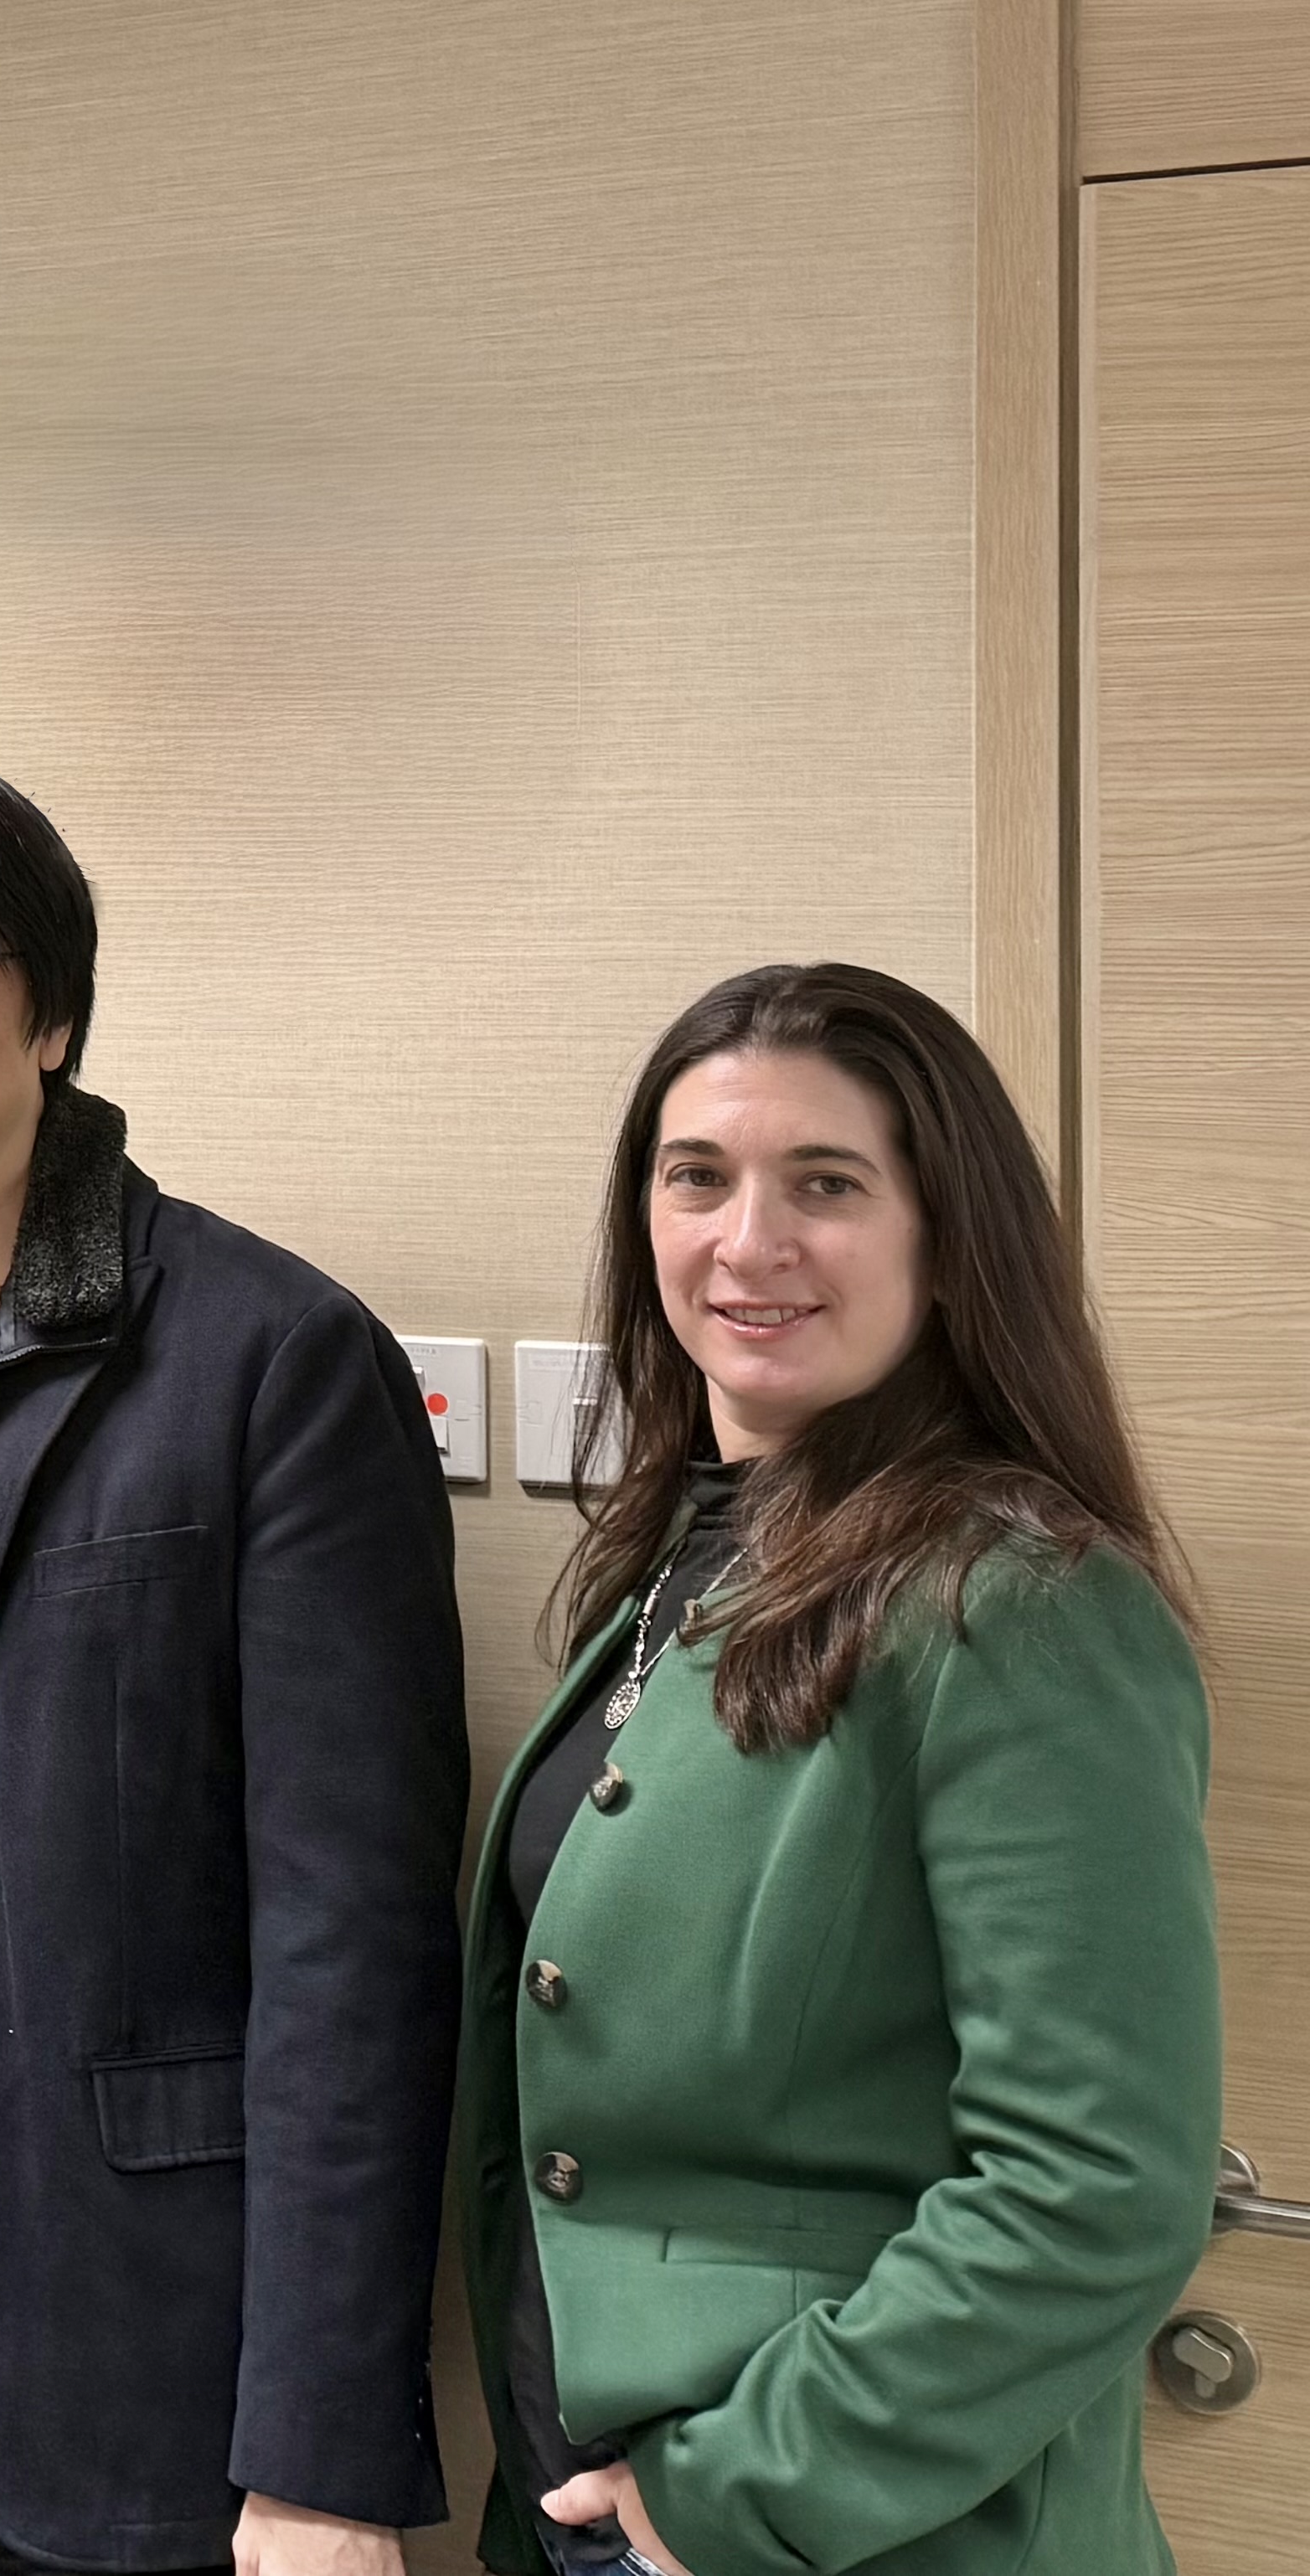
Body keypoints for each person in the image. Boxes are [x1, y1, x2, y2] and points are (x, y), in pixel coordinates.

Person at [0, 746, 470, 2576]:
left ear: (46, 1009)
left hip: (148, 2324)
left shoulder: (267, 1359)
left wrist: (321, 2446)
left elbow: (353, 1938)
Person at [459, 961, 1220, 2576]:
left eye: (825, 1185)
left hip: (841, 2522)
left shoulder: (1016, 1600)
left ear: (945, 1239)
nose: (748, 1244)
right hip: (581, 2489)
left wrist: (727, 2496)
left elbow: (1094, 2193)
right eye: (696, 1179)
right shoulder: (682, 1546)